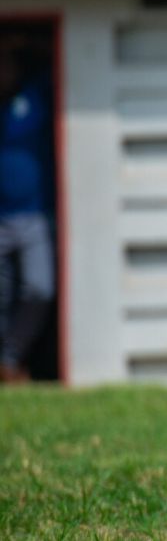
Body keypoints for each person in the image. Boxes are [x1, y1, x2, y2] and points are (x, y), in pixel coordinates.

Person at [0, 35, 55, 385]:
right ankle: (6, 366)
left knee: (39, 288)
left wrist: (24, 45)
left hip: (34, 215)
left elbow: (60, 57)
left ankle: (10, 358)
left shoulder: (34, 96)